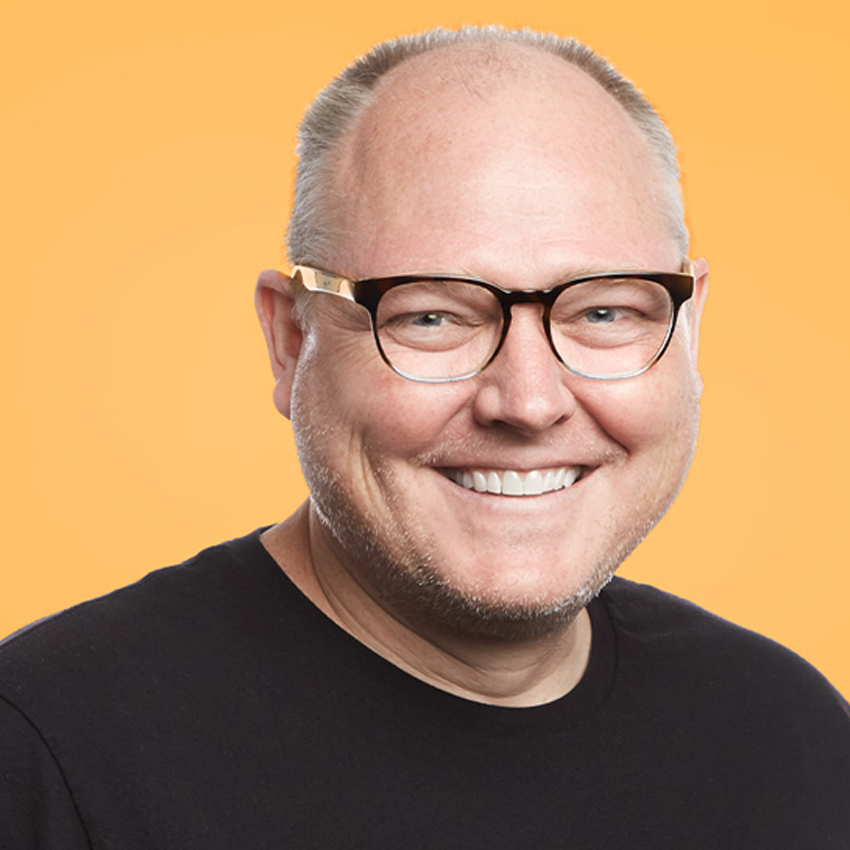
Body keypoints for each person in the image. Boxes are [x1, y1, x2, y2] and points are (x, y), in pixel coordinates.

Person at [1, 25, 848, 848]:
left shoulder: (794, 739)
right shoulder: (44, 758)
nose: (528, 401)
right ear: (291, 341)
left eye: (603, 311)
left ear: (690, 330)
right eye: (432, 314)